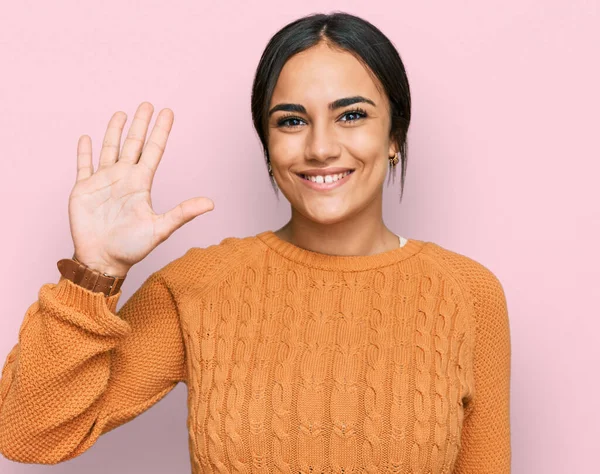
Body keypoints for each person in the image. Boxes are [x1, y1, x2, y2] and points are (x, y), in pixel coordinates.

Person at [0, 11, 511, 474]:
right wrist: (95, 272)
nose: (321, 147)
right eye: (291, 121)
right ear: (268, 148)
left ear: (395, 135)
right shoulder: (200, 286)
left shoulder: (467, 294)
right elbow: (29, 435)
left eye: (351, 115)